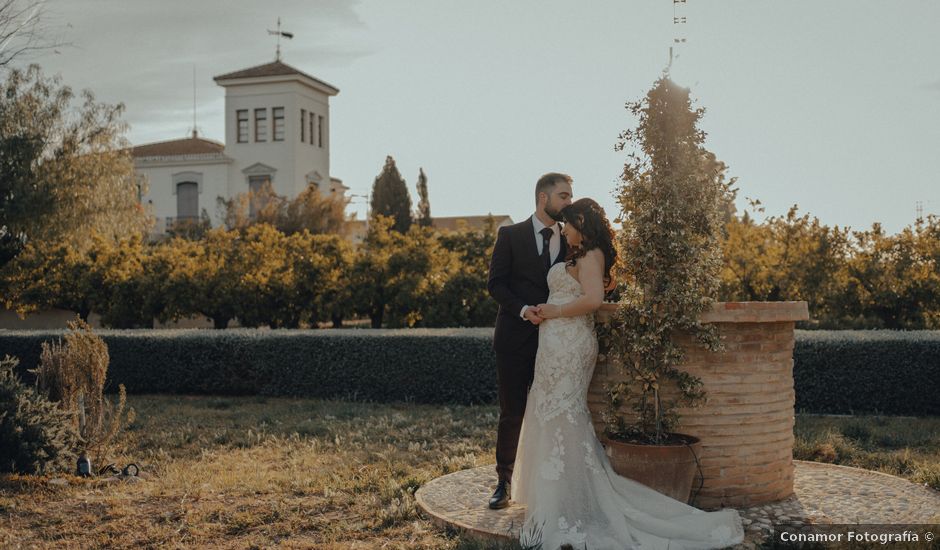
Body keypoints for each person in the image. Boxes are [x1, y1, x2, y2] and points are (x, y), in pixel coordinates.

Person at [512, 198, 745, 550]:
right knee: (547, 412)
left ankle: (571, 503)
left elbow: (592, 300)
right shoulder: (574, 255)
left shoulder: (591, 256)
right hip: (551, 344)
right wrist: (541, 313)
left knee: (565, 415)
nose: (564, 230)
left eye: (568, 225)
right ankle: (551, 498)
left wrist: (555, 311)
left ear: (581, 224)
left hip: (572, 344)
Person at [486, 172, 573, 509]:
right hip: (513, 339)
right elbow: (496, 284)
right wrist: (523, 310)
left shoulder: (571, 240)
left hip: (557, 342)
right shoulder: (510, 235)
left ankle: (549, 483)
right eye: (563, 196)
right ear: (543, 198)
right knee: (512, 412)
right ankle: (504, 483)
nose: (568, 202)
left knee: (551, 411)